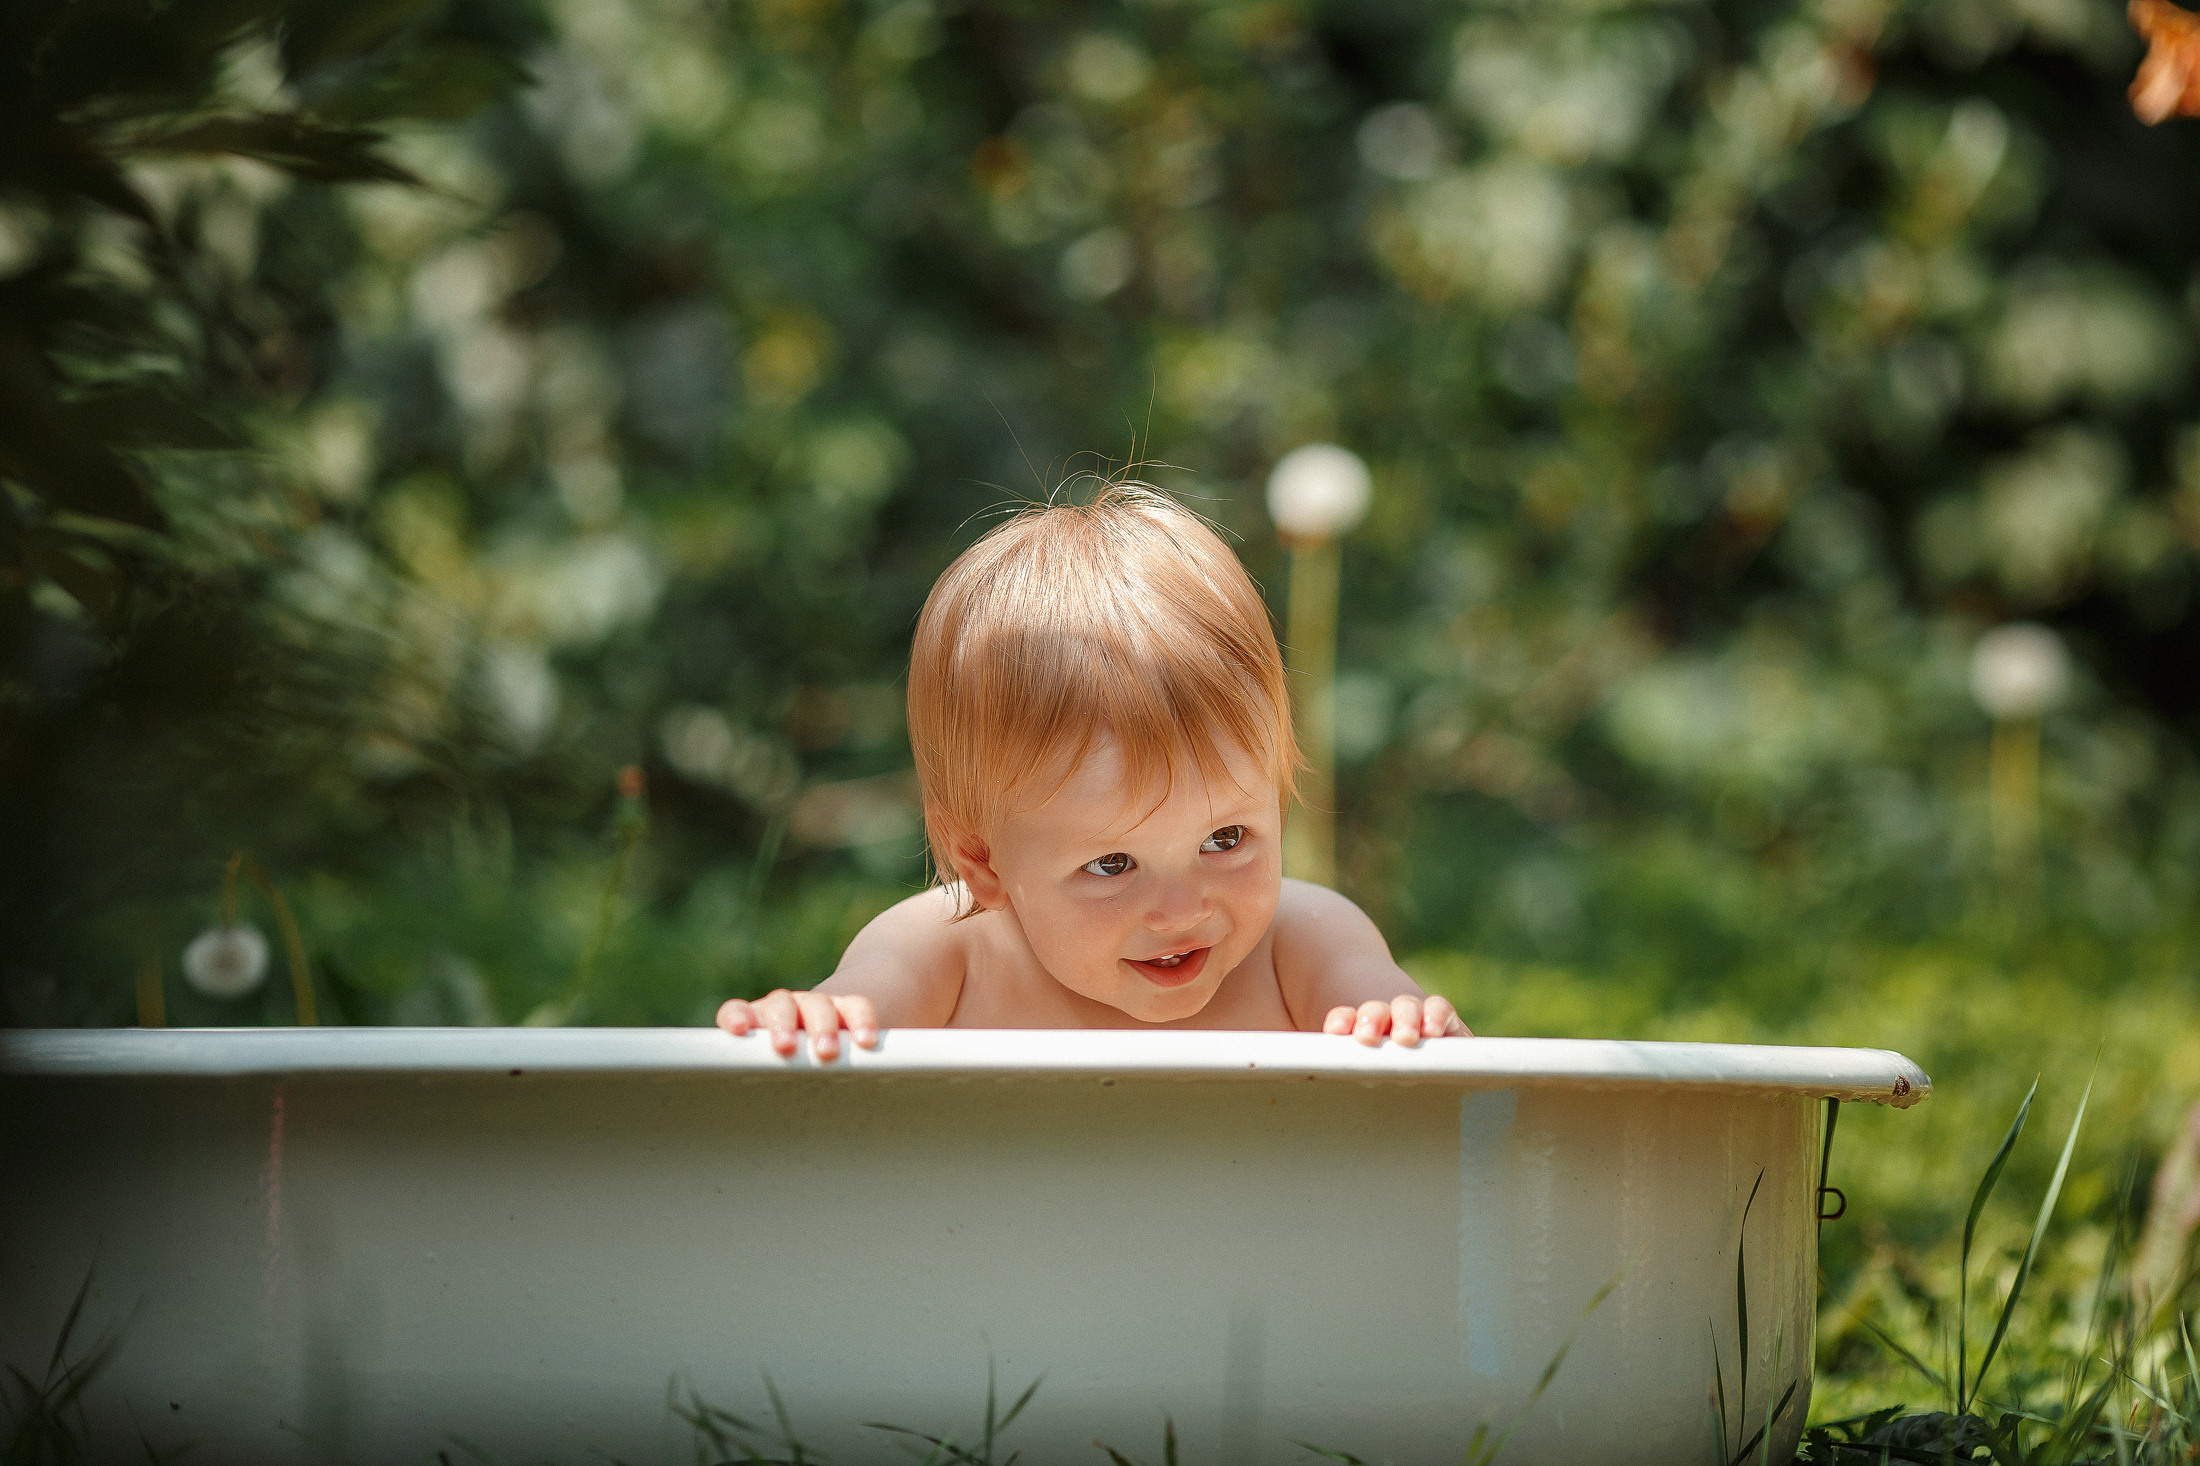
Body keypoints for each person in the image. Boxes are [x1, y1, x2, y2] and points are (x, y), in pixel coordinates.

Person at [715, 482, 1471, 1059]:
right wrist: (825, 1018)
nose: (1180, 909)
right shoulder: (943, 953)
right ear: (982, 861)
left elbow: (1399, 1031)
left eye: (1225, 838)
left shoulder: (1304, 942)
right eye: (1112, 863)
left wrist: (1402, 1025)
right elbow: (850, 1017)